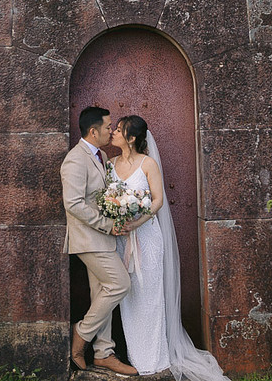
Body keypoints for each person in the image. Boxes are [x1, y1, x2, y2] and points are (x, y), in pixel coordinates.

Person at [110, 115, 230, 381]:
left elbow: (158, 200)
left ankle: (153, 359)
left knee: (149, 296)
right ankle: (135, 355)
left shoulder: (148, 163)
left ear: (132, 138)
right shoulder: (109, 165)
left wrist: (137, 221)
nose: (113, 133)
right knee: (128, 296)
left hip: (147, 238)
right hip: (121, 239)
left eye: (119, 130)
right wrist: (117, 221)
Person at [60, 106, 138, 376]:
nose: (110, 130)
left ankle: (104, 352)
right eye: (107, 127)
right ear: (93, 131)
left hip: (103, 238)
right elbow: (73, 203)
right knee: (120, 284)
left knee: (102, 294)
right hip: (88, 239)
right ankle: (81, 333)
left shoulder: (102, 155)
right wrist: (108, 224)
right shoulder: (75, 159)